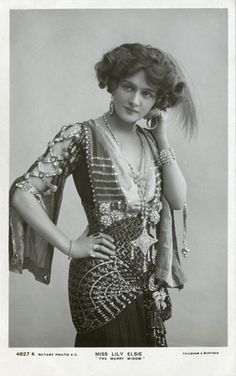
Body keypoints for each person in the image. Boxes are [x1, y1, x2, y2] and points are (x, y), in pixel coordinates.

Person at [9, 43, 197, 347]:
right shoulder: (79, 135)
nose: (135, 101)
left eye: (147, 93)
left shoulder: (152, 142)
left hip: (147, 285)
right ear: (112, 83)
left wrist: (162, 137)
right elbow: (23, 193)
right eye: (128, 87)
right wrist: (69, 245)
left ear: (158, 100)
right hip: (101, 282)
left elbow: (177, 200)